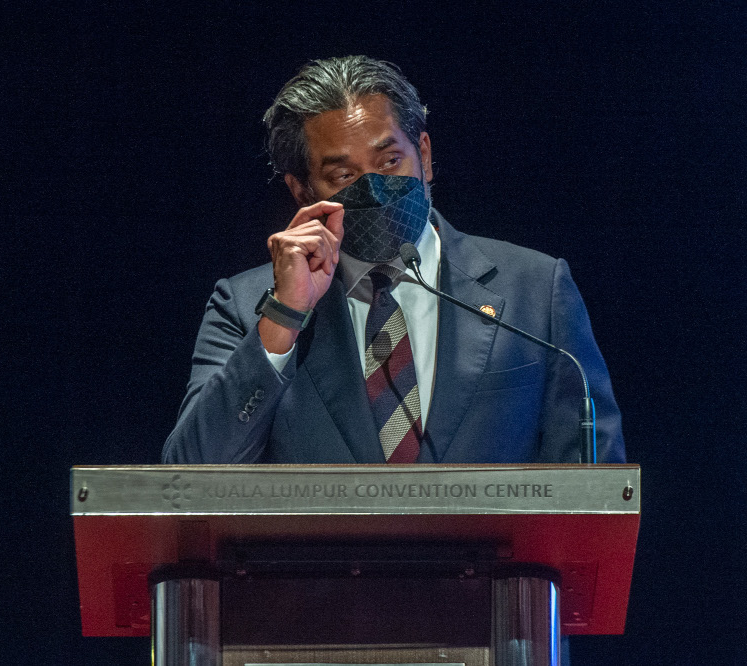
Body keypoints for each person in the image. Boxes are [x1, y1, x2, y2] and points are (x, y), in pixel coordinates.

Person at [161, 55, 624, 466]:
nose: (374, 189)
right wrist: (285, 316)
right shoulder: (245, 306)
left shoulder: (536, 290)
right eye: (343, 174)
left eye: (388, 162)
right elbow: (189, 475)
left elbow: (594, 497)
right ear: (302, 191)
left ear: (423, 154)